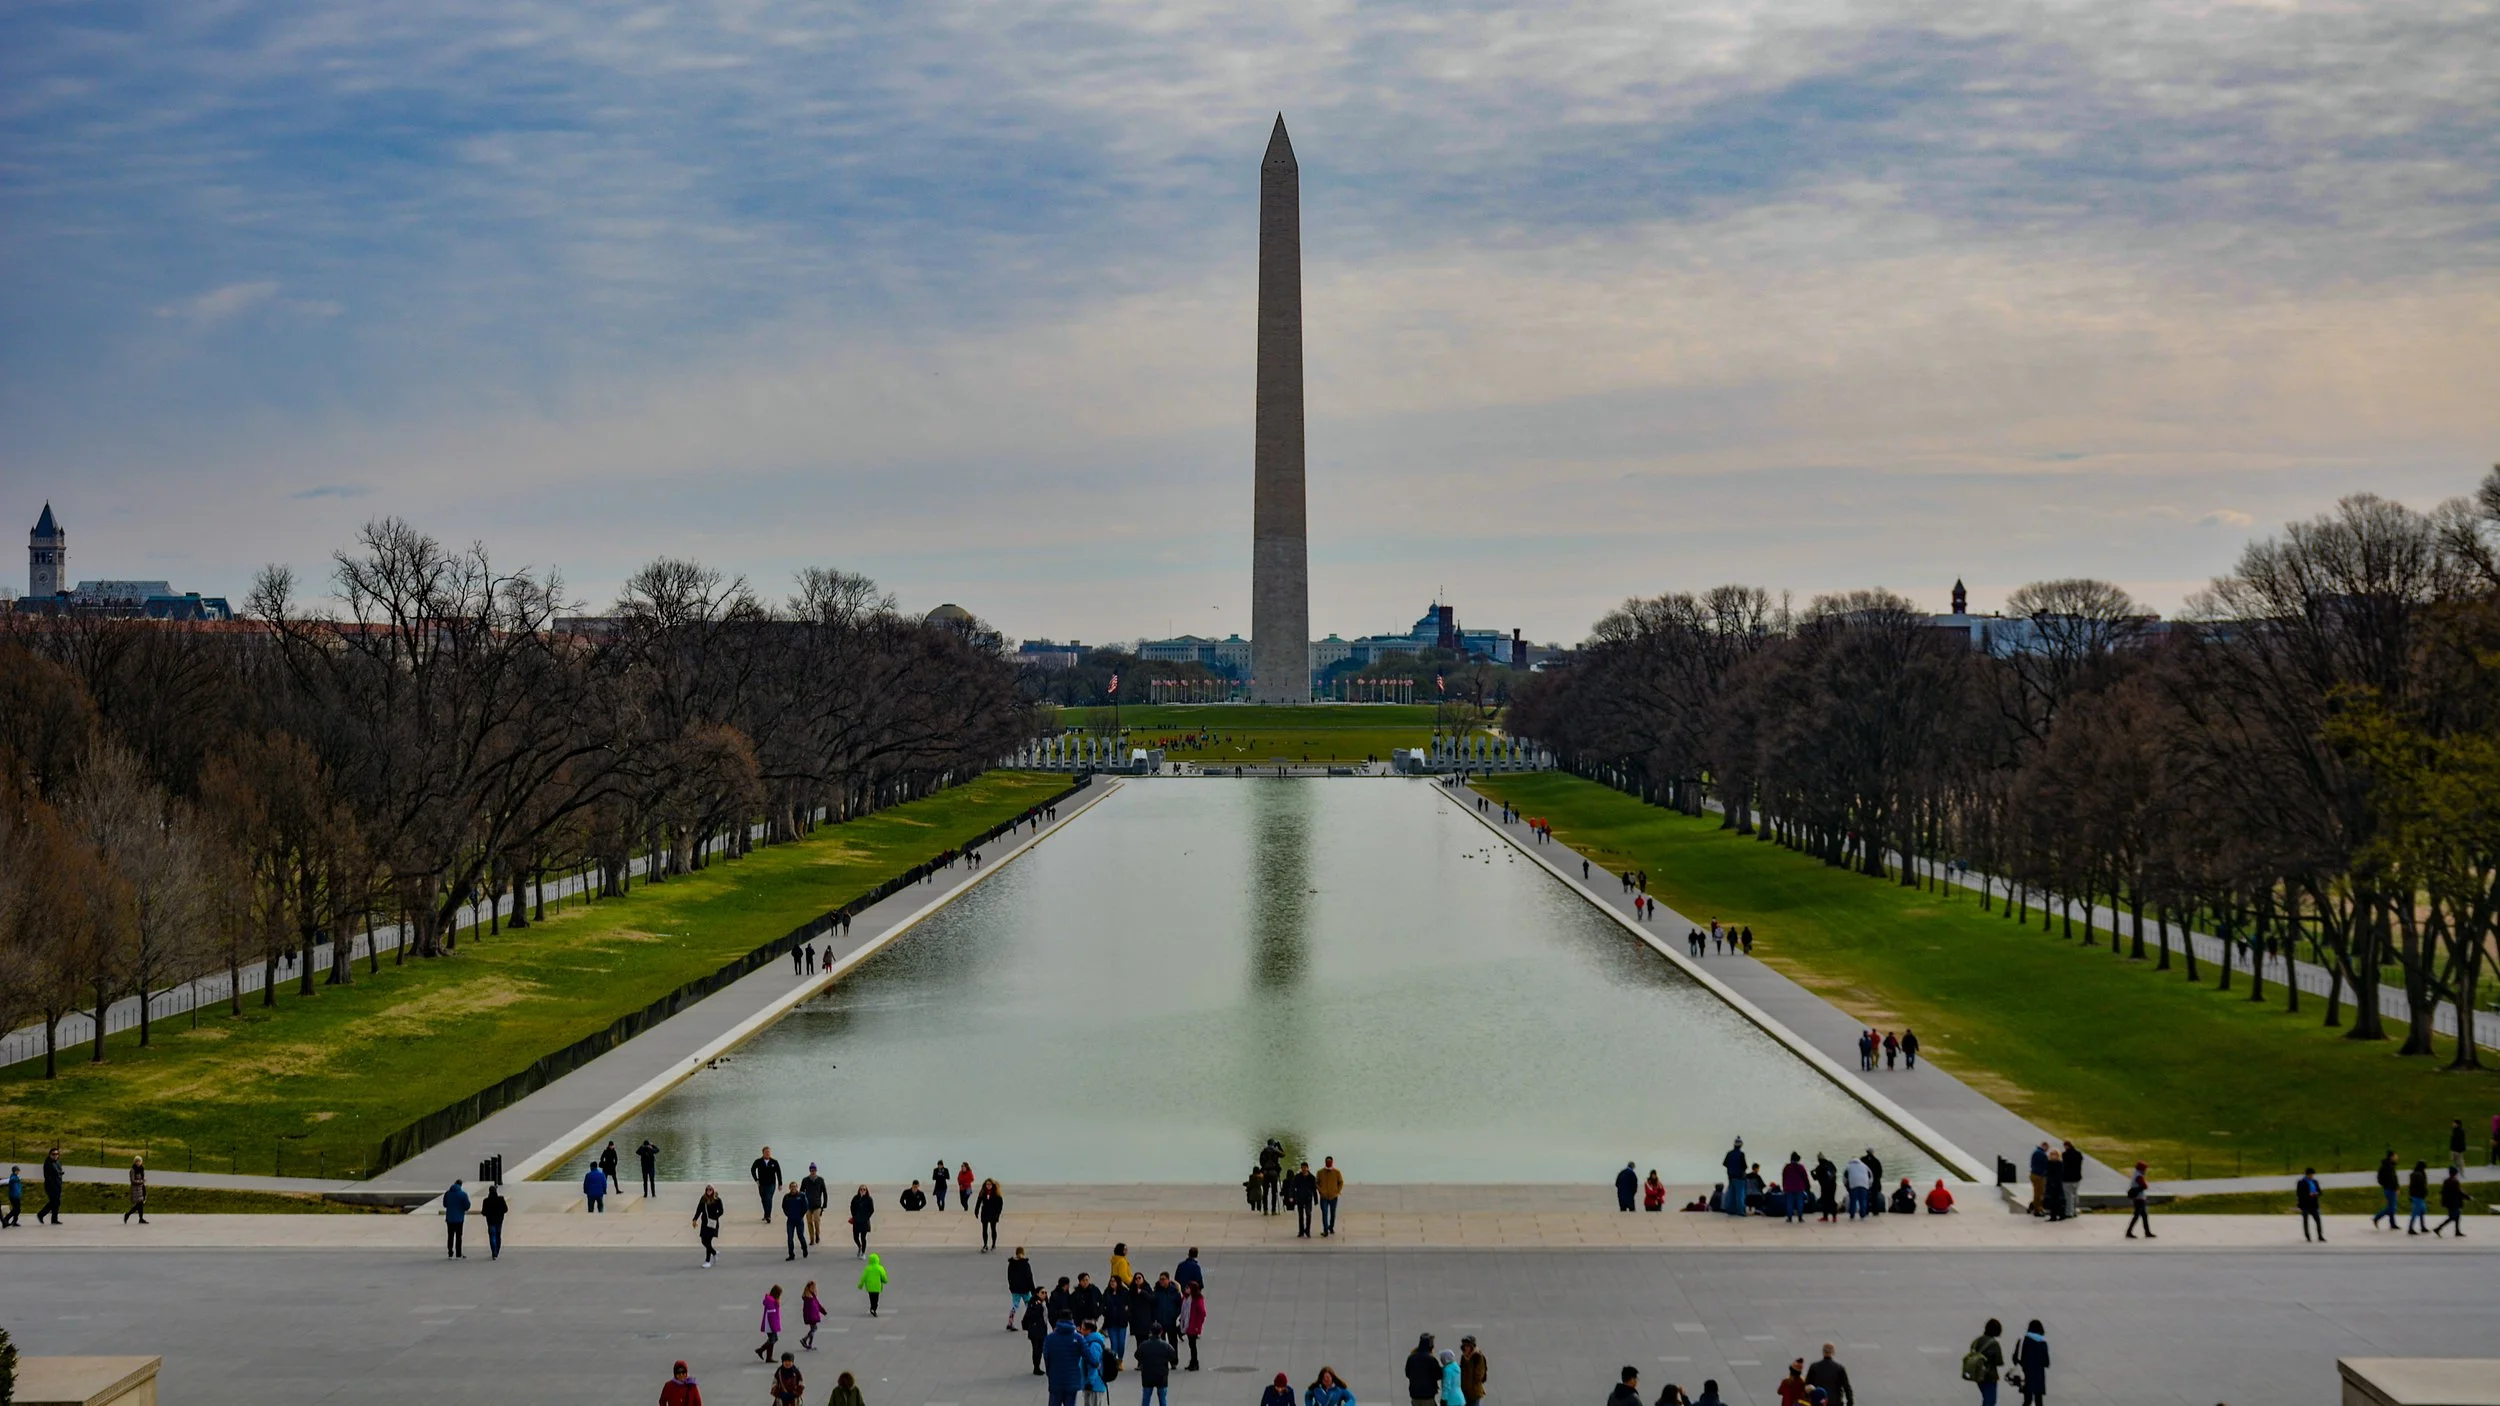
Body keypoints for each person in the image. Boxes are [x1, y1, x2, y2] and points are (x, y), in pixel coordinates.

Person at [1045, 1317, 1090, 1406]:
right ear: (1072, 1321)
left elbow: (1046, 1357)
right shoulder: (1078, 1338)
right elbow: (1088, 1356)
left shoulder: (1050, 1338)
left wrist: (1049, 1372)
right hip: (1072, 1381)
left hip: (1055, 1381)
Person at [1964, 1318, 2005, 1406]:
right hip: (1990, 1376)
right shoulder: (1994, 1344)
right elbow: (1999, 1361)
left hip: (1978, 1374)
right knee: (1990, 1401)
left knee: (1986, 1398)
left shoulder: (1977, 1340)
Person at [1135, 1327, 1179, 1406]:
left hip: (1147, 1375)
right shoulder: (1165, 1345)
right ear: (1161, 1332)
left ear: (1150, 1332)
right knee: (1162, 1399)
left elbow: (1137, 1355)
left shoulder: (1144, 1345)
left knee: (1146, 1397)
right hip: (1162, 1375)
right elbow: (1173, 1355)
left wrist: (1143, 1361)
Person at [2011, 1321, 2048, 1406]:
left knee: (2027, 1400)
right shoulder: (2042, 1342)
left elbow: (2015, 1358)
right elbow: (2046, 1362)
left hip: (2026, 1373)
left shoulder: (2022, 1340)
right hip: (2038, 1375)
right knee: (2039, 1401)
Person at [693, 1184, 724, 1266]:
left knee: (708, 1241)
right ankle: (714, 1252)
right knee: (703, 1241)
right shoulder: (703, 1199)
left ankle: (707, 1261)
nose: (708, 1191)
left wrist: (715, 1217)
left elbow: (721, 1211)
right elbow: (699, 1210)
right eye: (707, 1189)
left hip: (712, 1223)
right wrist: (695, 1219)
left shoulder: (717, 1200)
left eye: (710, 1190)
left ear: (713, 1190)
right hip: (705, 1223)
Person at [1405, 1333, 1440, 1406]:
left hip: (1415, 1395)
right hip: (1428, 1396)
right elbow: (1439, 1375)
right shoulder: (1431, 1359)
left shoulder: (1411, 1358)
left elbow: (1407, 1373)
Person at [1009, 1246, 1038, 1328]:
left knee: (1015, 1305)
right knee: (1029, 1305)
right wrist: (1033, 1290)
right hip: (1025, 1289)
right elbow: (1029, 1277)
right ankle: (1031, 1321)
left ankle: (1010, 1321)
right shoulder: (1025, 1264)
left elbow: (1009, 1276)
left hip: (1015, 1289)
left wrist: (1011, 1286)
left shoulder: (1012, 1264)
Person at [2434, 1167, 2468, 1237]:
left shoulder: (2446, 1181)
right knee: (2452, 1217)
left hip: (2449, 1202)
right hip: (2454, 1202)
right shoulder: (2455, 1181)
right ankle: (2438, 1228)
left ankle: (2457, 1231)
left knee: (2457, 1216)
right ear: (2455, 1173)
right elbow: (2459, 1192)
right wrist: (2467, 1197)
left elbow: (2444, 1191)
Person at [752, 1147, 783, 1222]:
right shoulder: (758, 1161)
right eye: (766, 1152)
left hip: (771, 1184)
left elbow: (778, 1172)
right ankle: (766, 1214)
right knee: (763, 1199)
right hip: (762, 1184)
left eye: (769, 1152)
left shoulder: (774, 1162)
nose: (767, 1153)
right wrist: (756, 1179)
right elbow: (752, 1169)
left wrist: (780, 1183)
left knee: (768, 1199)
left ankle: (768, 1216)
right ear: (763, 1153)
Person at [1024, 1293, 1052, 1375]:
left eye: (1045, 1293)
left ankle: (1047, 1367)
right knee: (1037, 1350)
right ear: (1037, 1294)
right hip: (1035, 1331)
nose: (1044, 1294)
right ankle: (1036, 1367)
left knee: (1045, 1350)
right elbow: (1032, 1315)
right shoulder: (1033, 1303)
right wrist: (1039, 1307)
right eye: (1042, 1293)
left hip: (1044, 1330)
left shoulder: (1046, 1303)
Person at [1181, 1280, 1206, 1371]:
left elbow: (1202, 1313)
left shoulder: (1197, 1300)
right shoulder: (1186, 1298)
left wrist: (1197, 1325)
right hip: (1188, 1324)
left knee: (1192, 1345)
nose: (1186, 1289)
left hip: (1193, 1325)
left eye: (1188, 1288)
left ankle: (1195, 1362)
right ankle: (1193, 1361)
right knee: (1191, 1345)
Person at [2373, 1150, 2401, 1229]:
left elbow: (2394, 1178)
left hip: (2389, 1188)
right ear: (2391, 1157)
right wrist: (2396, 1188)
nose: (2397, 1157)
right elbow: (2392, 1179)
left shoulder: (2389, 1165)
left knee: (2391, 1206)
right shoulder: (2388, 1166)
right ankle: (2377, 1218)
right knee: (2391, 1208)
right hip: (2390, 1189)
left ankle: (2392, 1224)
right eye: (2395, 1156)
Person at [442, 1178, 470, 1258]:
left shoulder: (447, 1193)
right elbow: (467, 1206)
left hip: (450, 1218)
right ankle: (458, 1253)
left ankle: (450, 1252)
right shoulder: (463, 1194)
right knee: (458, 1236)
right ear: (461, 1185)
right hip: (459, 1219)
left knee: (450, 1235)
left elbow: (445, 1204)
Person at [783, 1181, 811, 1260]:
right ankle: (791, 1254)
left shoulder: (801, 1196)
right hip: (790, 1220)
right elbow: (784, 1207)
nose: (793, 1188)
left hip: (799, 1220)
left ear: (797, 1187)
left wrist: (801, 1215)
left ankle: (804, 1248)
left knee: (800, 1236)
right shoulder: (786, 1197)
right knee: (790, 1238)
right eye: (792, 1186)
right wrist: (788, 1214)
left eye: (795, 1186)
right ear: (789, 1188)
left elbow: (806, 1206)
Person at [1290, 1162, 1320, 1237]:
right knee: (1300, 1216)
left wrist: (1316, 1199)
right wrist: (1291, 1196)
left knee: (1308, 1214)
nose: (1304, 1169)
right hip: (1300, 1198)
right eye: (1302, 1168)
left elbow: (1314, 1189)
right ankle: (1301, 1231)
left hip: (1308, 1198)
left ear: (1307, 1168)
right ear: (1301, 1168)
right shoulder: (1297, 1177)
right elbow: (1292, 1187)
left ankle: (1307, 1230)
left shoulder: (1312, 1177)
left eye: (1305, 1168)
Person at [755, 1284, 784, 1361]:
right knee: (772, 1339)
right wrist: (773, 1327)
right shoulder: (771, 1301)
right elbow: (771, 1315)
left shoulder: (772, 1300)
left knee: (774, 1339)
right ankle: (761, 1350)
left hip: (771, 1324)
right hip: (770, 1324)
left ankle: (768, 1357)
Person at [2296, 1168, 2325, 1243]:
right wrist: (2309, 1195)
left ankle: (2320, 1236)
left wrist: (2317, 1193)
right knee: (2306, 1221)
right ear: (2307, 1175)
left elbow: (2320, 1192)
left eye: (2312, 1174)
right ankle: (2308, 1236)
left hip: (2314, 1204)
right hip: (2305, 1204)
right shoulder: (2301, 1182)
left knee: (2318, 1221)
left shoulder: (2315, 1182)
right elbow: (2299, 1194)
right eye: (2311, 1174)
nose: (2312, 1176)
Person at [1317, 1157, 1344, 1236]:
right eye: (1327, 1161)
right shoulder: (1320, 1172)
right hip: (1324, 1197)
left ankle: (1331, 1227)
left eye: (1330, 1162)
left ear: (1332, 1162)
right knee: (1324, 1213)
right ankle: (1325, 1230)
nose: (1329, 1163)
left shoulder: (1336, 1172)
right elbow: (1317, 1182)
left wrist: (1338, 1191)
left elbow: (1341, 1182)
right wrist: (1320, 1191)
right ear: (1325, 1162)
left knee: (1333, 1213)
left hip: (1333, 1196)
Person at [481, 1182, 508, 1260]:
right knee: (498, 1235)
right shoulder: (501, 1199)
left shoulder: (486, 1201)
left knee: (492, 1236)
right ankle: (497, 1251)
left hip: (490, 1221)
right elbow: (505, 1209)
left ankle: (494, 1252)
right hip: (499, 1220)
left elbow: (483, 1212)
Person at [1721, 1140, 1749, 1217]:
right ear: (1740, 1145)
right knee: (1740, 1194)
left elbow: (1725, 1163)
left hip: (1730, 1176)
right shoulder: (1741, 1154)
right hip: (1740, 1177)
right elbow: (1744, 1166)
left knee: (1731, 1194)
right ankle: (1740, 1211)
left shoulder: (1729, 1153)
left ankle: (1731, 1210)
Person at [977, 1178, 1005, 1250]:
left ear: (992, 1185)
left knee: (993, 1229)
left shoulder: (996, 1193)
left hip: (993, 1213)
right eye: (987, 1184)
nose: (988, 1186)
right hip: (985, 1213)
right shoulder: (983, 1192)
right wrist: (976, 1211)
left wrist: (998, 1213)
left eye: (989, 1184)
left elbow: (1000, 1204)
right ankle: (985, 1244)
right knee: (984, 1229)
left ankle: (993, 1244)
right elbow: (978, 1202)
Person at [1843, 1152, 1871, 1220]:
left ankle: (1852, 1215)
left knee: (1853, 1200)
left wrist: (1847, 1186)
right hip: (1864, 1185)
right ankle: (1863, 1215)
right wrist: (1868, 1185)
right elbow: (1870, 1176)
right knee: (1863, 1200)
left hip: (1853, 1185)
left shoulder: (1848, 1166)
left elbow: (1844, 1178)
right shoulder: (1864, 1166)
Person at [1781, 1153, 1810, 1222]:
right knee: (1800, 1202)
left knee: (1789, 1202)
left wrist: (1784, 1186)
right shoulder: (1801, 1167)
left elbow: (1784, 1177)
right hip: (1799, 1187)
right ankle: (1800, 1217)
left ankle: (1789, 1218)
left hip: (1789, 1187)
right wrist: (1807, 1186)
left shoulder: (1787, 1167)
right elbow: (1805, 1177)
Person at [858, 1251, 887, 1316]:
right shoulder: (880, 1268)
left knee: (871, 1297)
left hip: (870, 1286)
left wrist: (860, 1285)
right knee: (876, 1298)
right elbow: (883, 1276)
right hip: (877, 1286)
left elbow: (863, 1277)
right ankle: (874, 1308)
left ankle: (872, 1307)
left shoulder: (867, 1268)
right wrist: (885, 1281)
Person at [849, 1184, 875, 1256]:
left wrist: (866, 1217)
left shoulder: (869, 1199)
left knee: (863, 1237)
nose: (862, 1191)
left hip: (864, 1221)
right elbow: (851, 1206)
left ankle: (863, 1253)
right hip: (857, 1220)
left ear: (866, 1191)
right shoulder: (855, 1198)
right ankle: (859, 1246)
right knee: (855, 1237)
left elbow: (872, 1210)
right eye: (861, 1189)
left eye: (864, 1189)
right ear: (859, 1190)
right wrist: (854, 1215)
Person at [40, 1147, 64, 1225]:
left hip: (57, 1185)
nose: (55, 1155)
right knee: (55, 1202)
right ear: (50, 1154)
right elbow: (48, 1176)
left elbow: (59, 1172)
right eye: (53, 1154)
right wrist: (53, 1185)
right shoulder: (48, 1163)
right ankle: (41, 1214)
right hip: (50, 1186)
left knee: (56, 1202)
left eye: (57, 1154)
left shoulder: (57, 1162)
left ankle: (54, 1219)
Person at [2406, 1160, 2431, 1235]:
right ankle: (2411, 1228)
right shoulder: (2418, 1175)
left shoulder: (2415, 1173)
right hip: (2418, 1196)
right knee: (2415, 1212)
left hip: (2417, 1195)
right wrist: (2425, 1192)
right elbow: (2421, 1186)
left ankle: (2422, 1226)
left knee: (2422, 1211)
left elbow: (2411, 1186)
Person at [1813, 1154, 1838, 1223]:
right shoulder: (1830, 1163)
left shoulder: (1819, 1167)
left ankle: (1825, 1217)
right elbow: (1835, 1171)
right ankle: (1834, 1217)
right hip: (1833, 1185)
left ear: (1818, 1159)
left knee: (1825, 1201)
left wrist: (1812, 1173)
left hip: (1825, 1187)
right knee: (1832, 1200)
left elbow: (1815, 1178)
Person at [801, 1280, 826, 1349]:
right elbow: (816, 1306)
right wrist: (823, 1312)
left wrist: (823, 1311)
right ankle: (804, 1339)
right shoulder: (810, 1298)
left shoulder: (809, 1296)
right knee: (814, 1328)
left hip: (810, 1316)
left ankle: (809, 1344)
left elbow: (817, 1305)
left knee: (812, 1329)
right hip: (812, 1316)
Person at [2027, 1143, 2051, 1217]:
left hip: (2033, 1174)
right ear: (2045, 1146)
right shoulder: (2042, 1154)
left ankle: (2033, 1206)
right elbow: (2046, 1165)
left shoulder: (2035, 1152)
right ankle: (2037, 1209)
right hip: (2039, 1176)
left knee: (2037, 1192)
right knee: (2039, 1193)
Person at [124, 1156, 147, 1225]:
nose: (138, 1163)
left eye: (139, 1161)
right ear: (135, 1162)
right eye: (137, 1161)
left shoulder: (141, 1169)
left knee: (141, 1204)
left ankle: (141, 1219)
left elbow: (142, 1178)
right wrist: (141, 1181)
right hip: (135, 1189)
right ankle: (128, 1214)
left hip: (141, 1188)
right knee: (139, 1204)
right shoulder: (132, 1170)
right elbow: (132, 1181)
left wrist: (143, 1182)